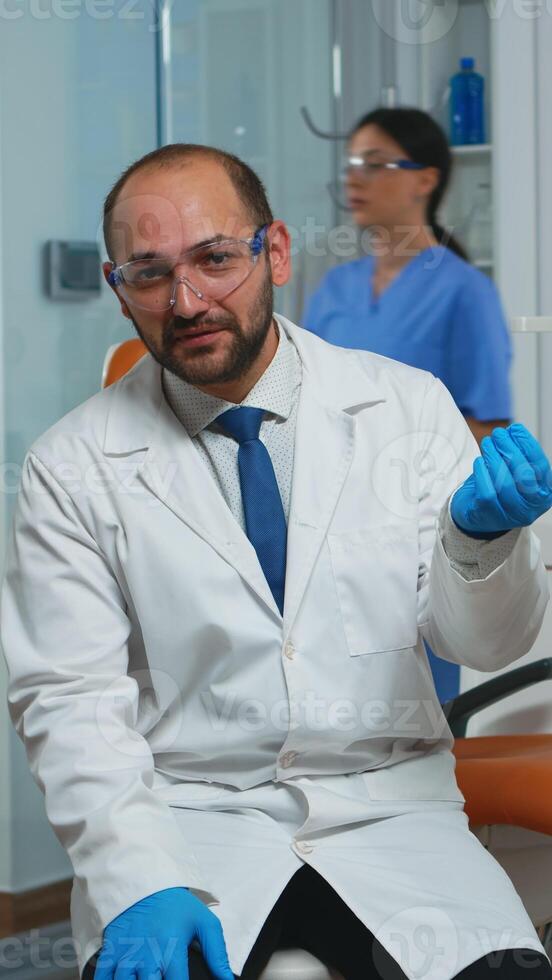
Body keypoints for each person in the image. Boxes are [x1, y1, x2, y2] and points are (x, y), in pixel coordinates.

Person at [2, 143, 552, 980]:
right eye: (150, 275)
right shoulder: (71, 464)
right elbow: (68, 697)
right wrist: (139, 877)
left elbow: (483, 645)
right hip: (191, 823)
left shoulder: (403, 408)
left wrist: (480, 548)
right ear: (118, 290)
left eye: (215, 258)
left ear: (277, 253)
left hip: (391, 813)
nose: (187, 301)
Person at [303, 107, 511, 447]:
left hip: (418, 491)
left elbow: (488, 428)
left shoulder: (466, 291)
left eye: (374, 164)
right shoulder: (336, 287)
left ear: (425, 180)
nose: (353, 179)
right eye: (352, 165)